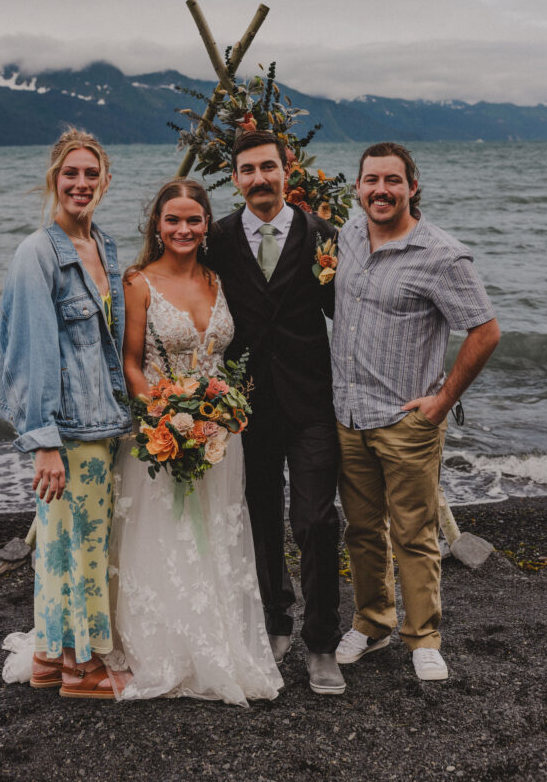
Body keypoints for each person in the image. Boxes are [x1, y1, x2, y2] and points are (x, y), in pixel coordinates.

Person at [105, 179, 283, 706]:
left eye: (193, 220)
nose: (183, 229)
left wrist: (222, 412)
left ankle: (221, 639)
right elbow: (130, 364)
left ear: (207, 225)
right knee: (168, 534)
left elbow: (228, 359)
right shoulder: (138, 282)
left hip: (219, 435)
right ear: (156, 225)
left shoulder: (218, 279)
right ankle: (168, 646)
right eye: (173, 220)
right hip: (162, 432)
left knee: (217, 532)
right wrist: (165, 416)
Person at [332, 142, 500, 681]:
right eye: (370, 180)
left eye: (392, 181)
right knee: (360, 530)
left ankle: (424, 636)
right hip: (348, 415)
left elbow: (486, 329)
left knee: (414, 533)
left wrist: (442, 401)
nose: (380, 190)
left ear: (412, 186)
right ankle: (373, 622)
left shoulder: (442, 255)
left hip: (407, 421)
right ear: (357, 187)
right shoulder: (349, 235)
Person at [0, 128, 132, 699]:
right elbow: (29, 353)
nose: (80, 183)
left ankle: (48, 657)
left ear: (105, 181)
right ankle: (83, 668)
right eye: (70, 174)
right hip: (68, 434)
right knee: (81, 549)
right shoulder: (37, 253)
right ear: (54, 180)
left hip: (102, 425)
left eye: (90, 174)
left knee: (64, 545)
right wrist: (43, 440)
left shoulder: (105, 248)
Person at [208, 130, 344, 696]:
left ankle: (321, 644)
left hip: (312, 401)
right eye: (247, 170)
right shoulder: (215, 239)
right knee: (259, 517)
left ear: (288, 170)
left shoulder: (323, 237)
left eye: (269, 167)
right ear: (236, 179)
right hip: (246, 406)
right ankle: (274, 621)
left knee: (315, 520)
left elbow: (353, 315)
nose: (259, 178)